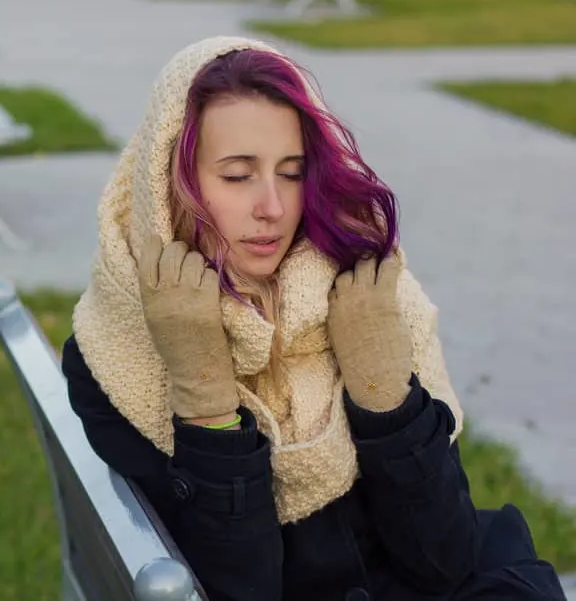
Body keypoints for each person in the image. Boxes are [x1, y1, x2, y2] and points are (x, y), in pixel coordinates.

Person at [60, 36, 566, 601]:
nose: (272, 207)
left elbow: (444, 557)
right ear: (170, 185)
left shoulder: (360, 286)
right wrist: (203, 392)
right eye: (237, 175)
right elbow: (242, 587)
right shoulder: (118, 351)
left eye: (293, 171)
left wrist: (383, 392)